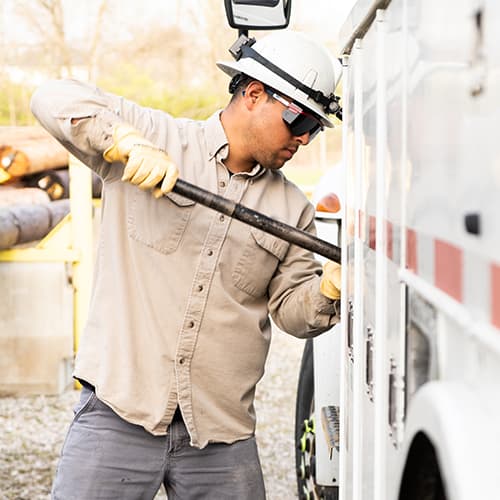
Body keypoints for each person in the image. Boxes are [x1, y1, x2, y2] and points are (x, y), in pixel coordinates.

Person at [31, 30, 342, 500]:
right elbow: (50, 98)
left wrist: (332, 289)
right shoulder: (157, 139)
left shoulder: (293, 210)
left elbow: (293, 314)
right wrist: (122, 142)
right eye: (298, 120)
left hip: (222, 439)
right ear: (253, 94)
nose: (302, 138)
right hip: (118, 415)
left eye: (314, 129)